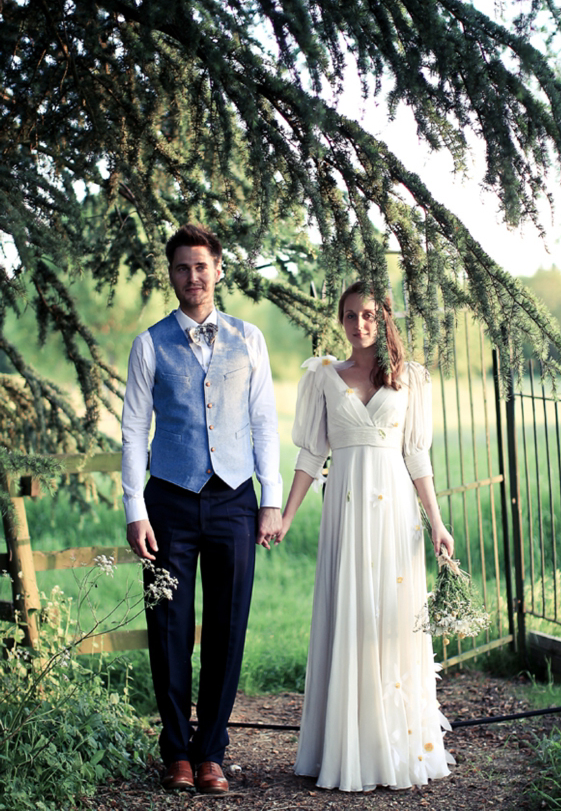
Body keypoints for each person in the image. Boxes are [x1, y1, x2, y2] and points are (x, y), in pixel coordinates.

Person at [121, 223, 283, 794]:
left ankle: (211, 751)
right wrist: (134, 510)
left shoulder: (250, 339)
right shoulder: (150, 344)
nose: (192, 276)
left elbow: (264, 421)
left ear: (218, 269)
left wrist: (271, 500)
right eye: (181, 268)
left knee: (226, 626)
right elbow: (135, 428)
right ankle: (177, 754)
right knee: (168, 626)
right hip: (168, 499)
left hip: (235, 500)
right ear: (172, 275)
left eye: (201, 266)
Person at [278, 281, 455, 793]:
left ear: (385, 319)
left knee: (392, 622)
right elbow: (311, 455)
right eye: (351, 315)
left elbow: (417, 458)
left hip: (396, 516)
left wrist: (437, 523)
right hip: (346, 513)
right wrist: (286, 516)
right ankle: (348, 747)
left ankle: (396, 746)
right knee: (350, 617)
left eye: (370, 315)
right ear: (341, 320)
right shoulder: (324, 378)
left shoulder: (412, 379)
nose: (360, 324)